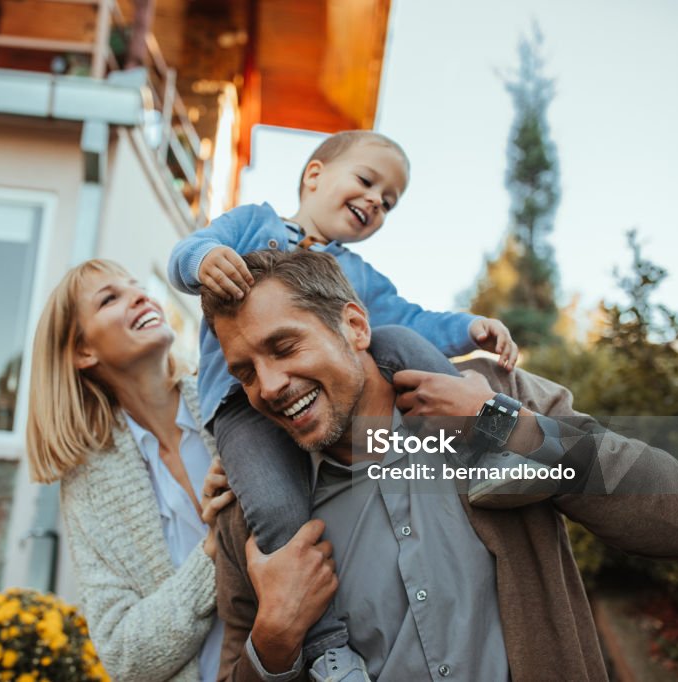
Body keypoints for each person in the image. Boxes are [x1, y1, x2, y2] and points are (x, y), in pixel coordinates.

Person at [202, 249, 678, 682]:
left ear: (354, 326)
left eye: (285, 347)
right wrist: (273, 641)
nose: (268, 386)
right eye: (245, 372)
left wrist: (506, 427)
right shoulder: (250, 517)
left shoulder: (496, 396)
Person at [168, 130, 521, 679]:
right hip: (242, 407)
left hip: (359, 395)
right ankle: (328, 645)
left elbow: (415, 320)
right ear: (314, 175)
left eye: (390, 200)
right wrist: (206, 259)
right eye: (367, 180)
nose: (377, 200)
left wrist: (468, 327)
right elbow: (188, 249)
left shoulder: (358, 277)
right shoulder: (251, 223)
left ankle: (485, 446)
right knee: (278, 508)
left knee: (400, 344)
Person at [25, 259, 236, 682]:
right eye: (110, 298)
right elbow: (123, 656)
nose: (140, 296)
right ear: (84, 351)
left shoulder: (229, 406)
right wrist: (213, 550)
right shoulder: (90, 485)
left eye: (136, 286)